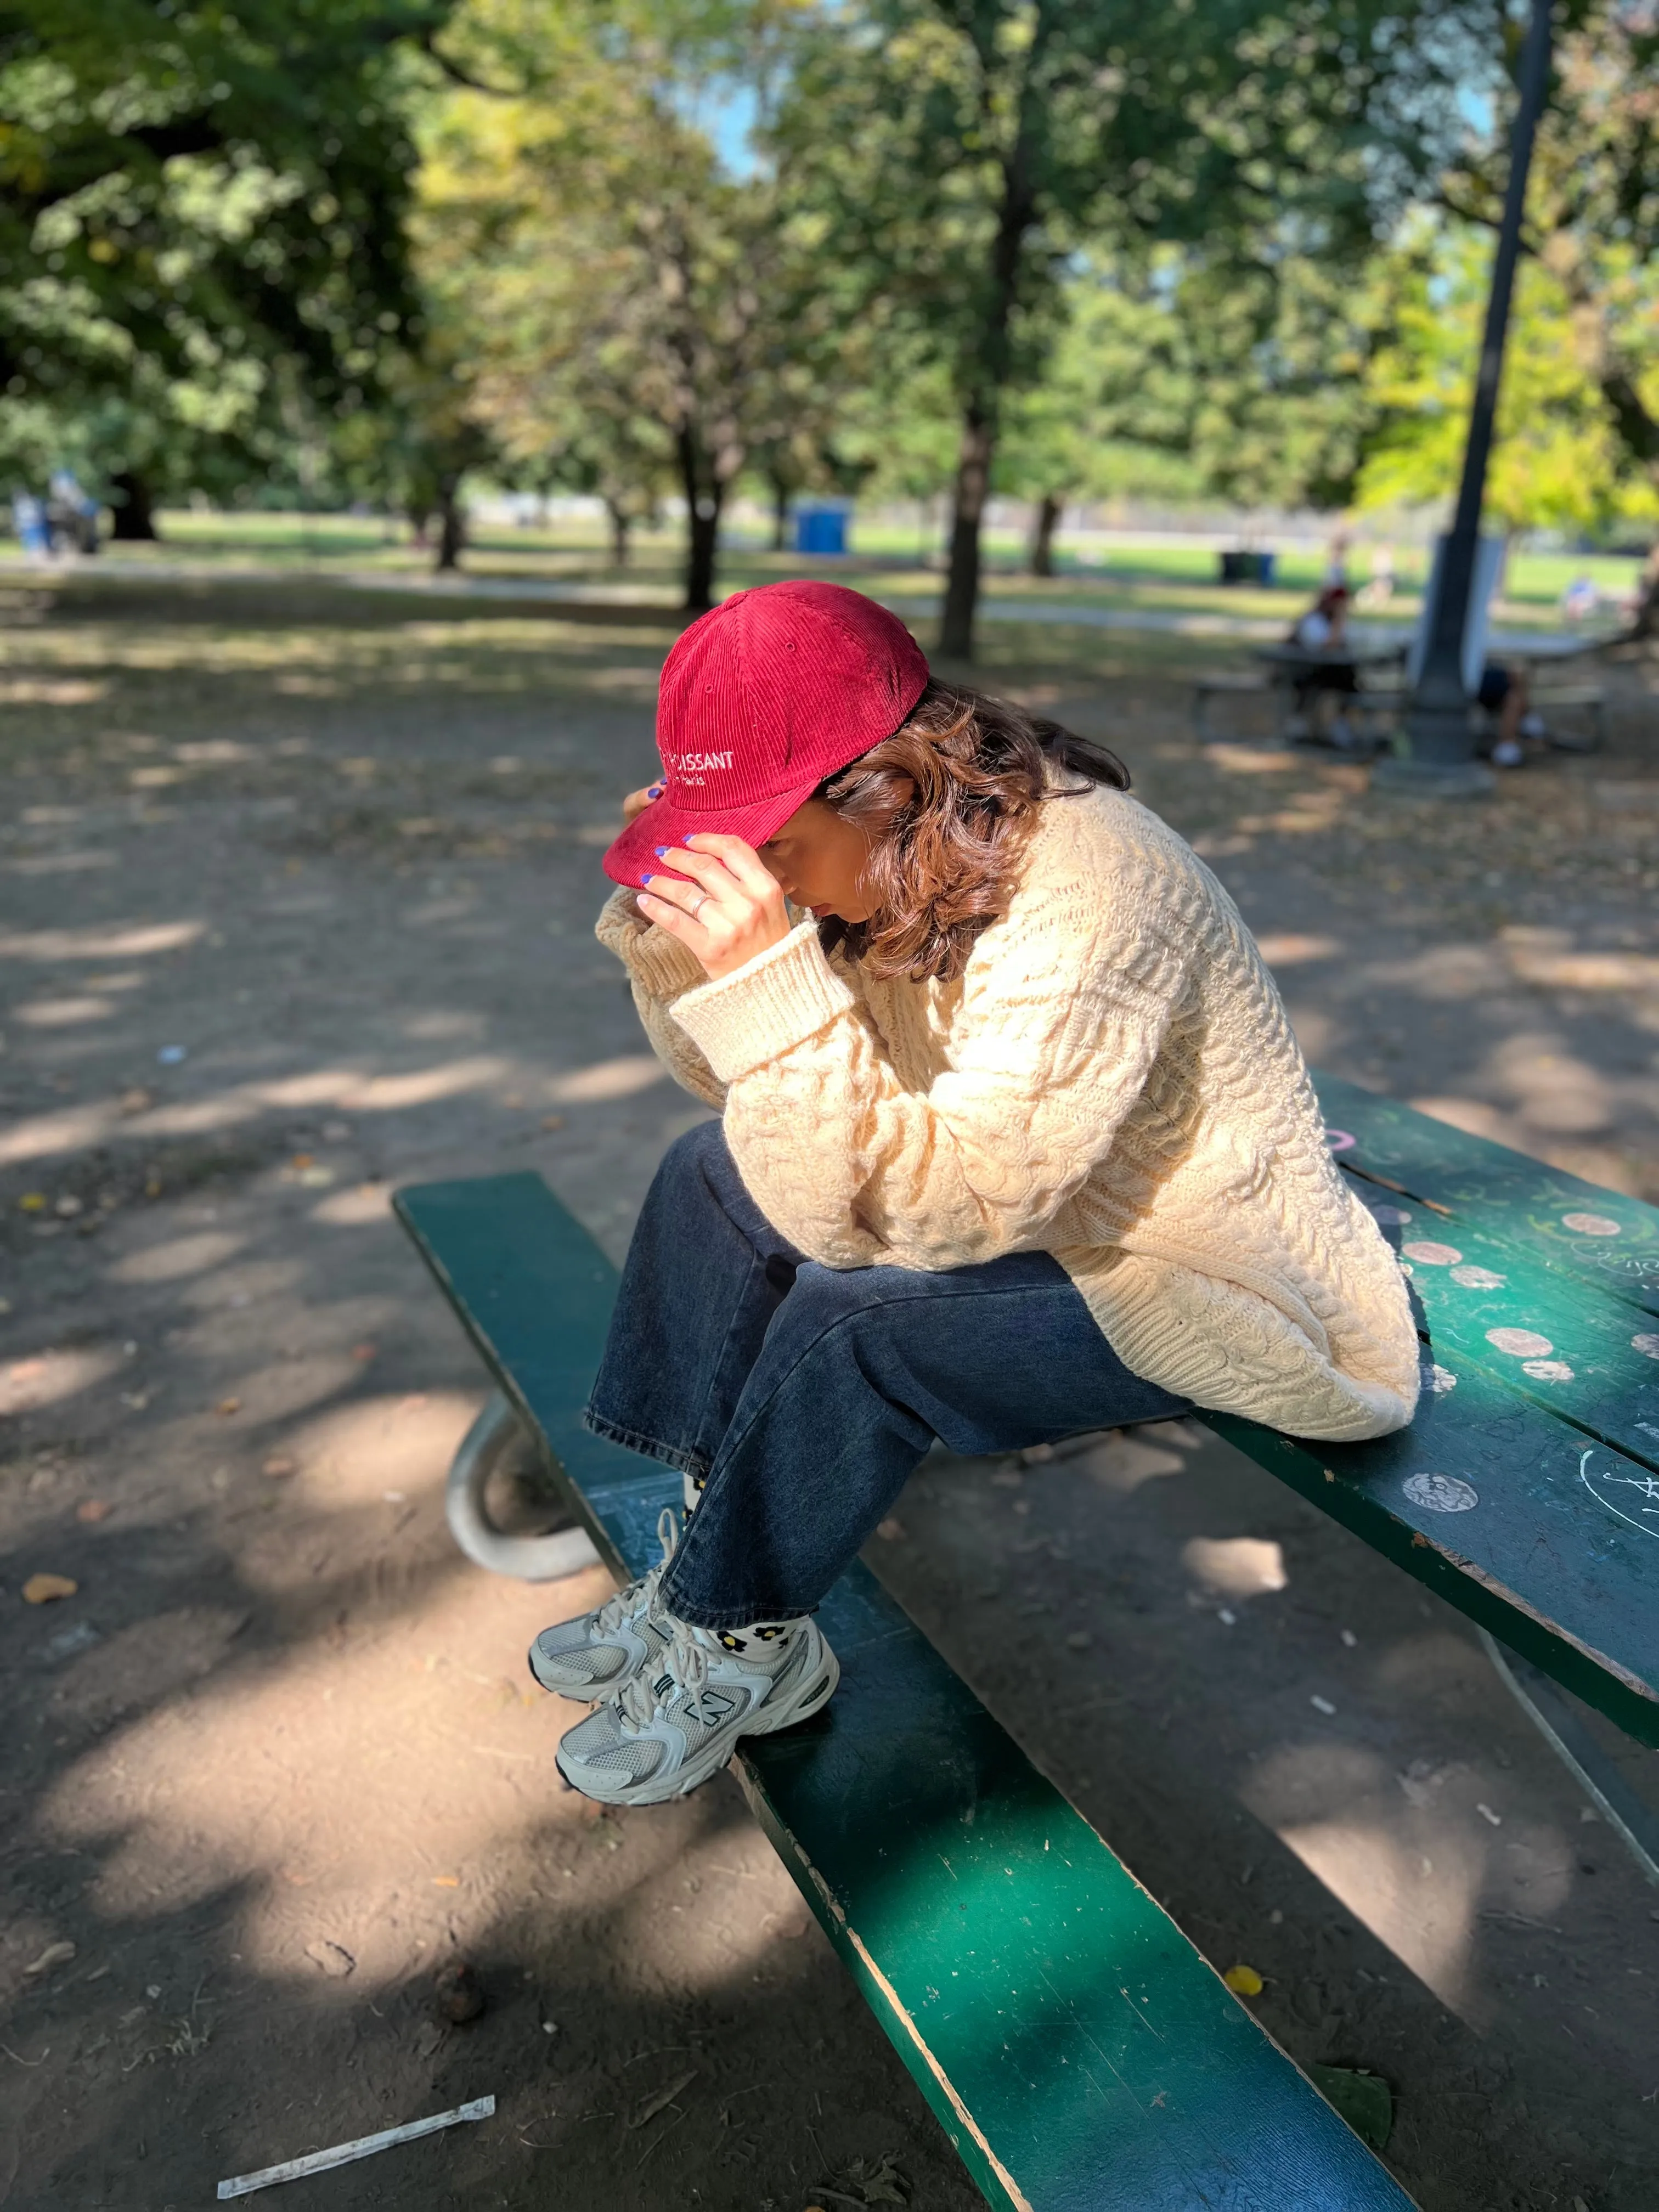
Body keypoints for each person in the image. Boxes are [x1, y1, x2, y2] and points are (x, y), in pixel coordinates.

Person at [529, 580, 1420, 1807]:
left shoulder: (1097, 885)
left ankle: (744, 1634)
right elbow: (721, 1079)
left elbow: (944, 1215)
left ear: (887, 787)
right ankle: (704, 1559)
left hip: (1195, 1263)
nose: (771, 886)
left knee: (854, 1320)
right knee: (708, 1167)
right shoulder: (881, 861)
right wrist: (697, 953)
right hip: (1026, 1203)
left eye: (775, 849)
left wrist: (767, 982)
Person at [1285, 584, 1359, 747]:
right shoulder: (1313, 621)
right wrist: (1340, 620)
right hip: (1301, 671)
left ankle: (1339, 726)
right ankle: (1303, 728)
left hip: (1323, 671)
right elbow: (1327, 647)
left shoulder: (1333, 622)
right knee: (1341, 678)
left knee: (1349, 679)